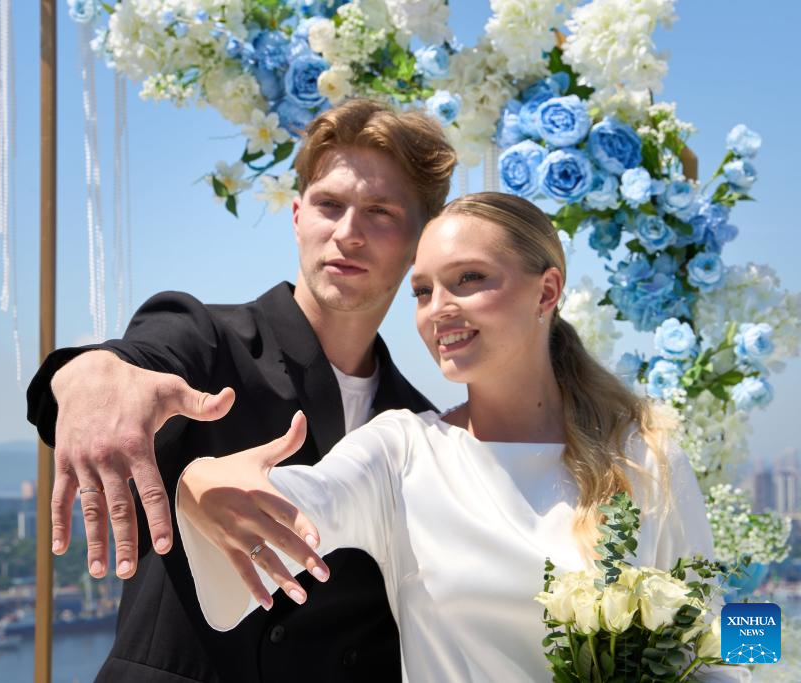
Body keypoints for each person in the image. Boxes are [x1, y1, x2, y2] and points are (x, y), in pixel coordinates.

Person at [176, 192, 750, 683]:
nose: (438, 310)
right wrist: (200, 481)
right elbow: (305, 499)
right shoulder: (402, 452)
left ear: (547, 291)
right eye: (422, 291)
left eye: (469, 279)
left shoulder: (646, 451)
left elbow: (726, 627)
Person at [25, 98, 457, 682]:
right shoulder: (208, 338)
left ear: (419, 243)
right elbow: (129, 364)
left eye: (380, 211)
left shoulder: (423, 427)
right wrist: (90, 375)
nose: (348, 233)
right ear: (298, 215)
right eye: (329, 205)